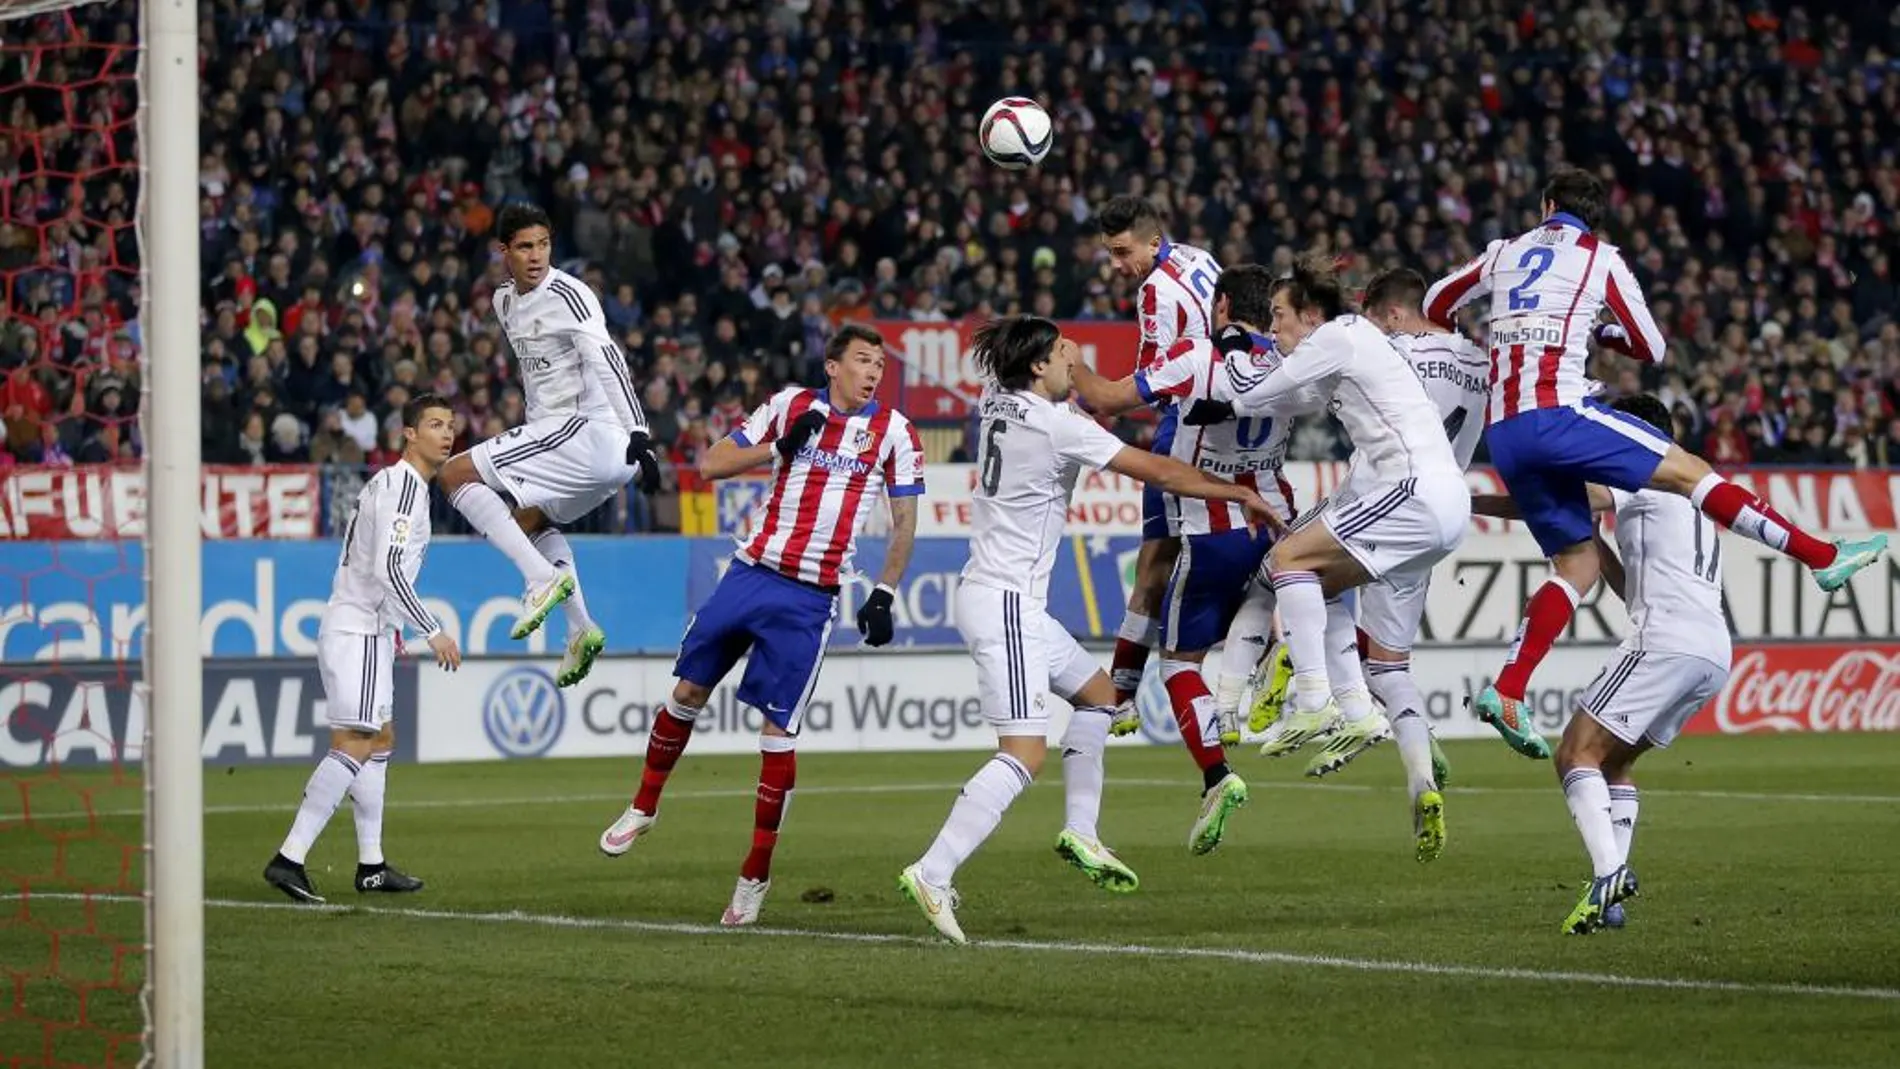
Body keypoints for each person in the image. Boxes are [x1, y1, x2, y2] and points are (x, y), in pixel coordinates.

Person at [1422, 167, 1885, 755]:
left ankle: (1509, 689)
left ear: (1546, 206)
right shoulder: (1601, 259)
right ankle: (1820, 555)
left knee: (1578, 564)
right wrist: (1603, 335)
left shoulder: (1503, 252)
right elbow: (1654, 347)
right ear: (1595, 218)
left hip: (1505, 431)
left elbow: (1437, 301)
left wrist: (1489, 343)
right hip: (1558, 414)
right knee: (1693, 472)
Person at [897, 315, 1280, 945]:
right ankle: (933, 871)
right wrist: (1235, 492)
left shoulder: (1001, 403)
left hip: (1002, 596)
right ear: (1038, 368)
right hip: (1007, 603)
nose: (1073, 358)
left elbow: (1079, 411)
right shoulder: (1056, 423)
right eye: (1062, 353)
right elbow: (1156, 471)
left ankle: (1082, 830)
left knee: (1103, 697)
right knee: (1023, 752)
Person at [596, 324, 923, 928]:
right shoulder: (789, 406)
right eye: (862, 360)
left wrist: (884, 591)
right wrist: (778, 451)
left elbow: (905, 519)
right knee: (688, 691)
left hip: (810, 599)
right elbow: (711, 463)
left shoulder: (895, 432)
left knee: (777, 732)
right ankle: (643, 806)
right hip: (750, 572)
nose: (874, 372)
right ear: (832, 366)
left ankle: (755, 874)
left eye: (879, 363)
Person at [1215, 255, 1471, 810]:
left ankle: (1314, 699)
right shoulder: (1345, 350)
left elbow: (1254, 393)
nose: (1276, 328)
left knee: (1287, 559)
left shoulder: (1339, 334)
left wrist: (1233, 342)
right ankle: (1355, 709)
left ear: (1310, 314)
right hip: (1443, 506)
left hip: (1413, 490)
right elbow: (1294, 397)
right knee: (1315, 579)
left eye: (1280, 316)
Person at [1471, 394, 1730, 934]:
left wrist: (1467, 501)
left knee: (1574, 753)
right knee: (1615, 763)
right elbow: (1628, 588)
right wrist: (1591, 543)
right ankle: (1610, 898)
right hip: (1712, 651)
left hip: (1664, 640)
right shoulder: (1691, 490)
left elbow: (1556, 500)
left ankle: (1610, 872)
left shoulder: (1641, 474)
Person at [1068, 265, 1301, 856]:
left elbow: (1105, 400)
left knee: (1179, 663)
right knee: (1267, 597)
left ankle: (1215, 771)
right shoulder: (1291, 361)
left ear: (1220, 305)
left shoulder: (1195, 355)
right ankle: (1285, 655)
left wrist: (1069, 359)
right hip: (1276, 520)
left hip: (1211, 520)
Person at [436, 203, 662, 688]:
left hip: (590, 433)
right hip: (578, 445)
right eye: (525, 246)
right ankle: (581, 627)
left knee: (452, 475)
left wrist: (640, 432)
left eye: (543, 244)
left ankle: (541, 580)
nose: (536, 256)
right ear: (504, 251)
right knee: (528, 521)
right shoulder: (503, 302)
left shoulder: (570, 294)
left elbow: (607, 359)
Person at [263, 394, 463, 904]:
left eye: (451, 425)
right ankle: (290, 858)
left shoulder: (396, 485)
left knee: (379, 740)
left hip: (365, 628)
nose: (446, 433)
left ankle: (371, 865)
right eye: (434, 424)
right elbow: (388, 570)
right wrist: (431, 629)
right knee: (355, 742)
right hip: (361, 630)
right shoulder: (402, 489)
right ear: (408, 434)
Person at [1094, 197, 1223, 732]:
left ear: (1151, 240)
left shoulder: (1155, 290)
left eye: (1123, 253)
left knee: (1153, 565)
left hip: (1183, 427)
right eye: (1110, 254)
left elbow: (1148, 381)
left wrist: (1092, 396)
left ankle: (1120, 695)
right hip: (1227, 419)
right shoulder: (1202, 259)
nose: (1118, 266)